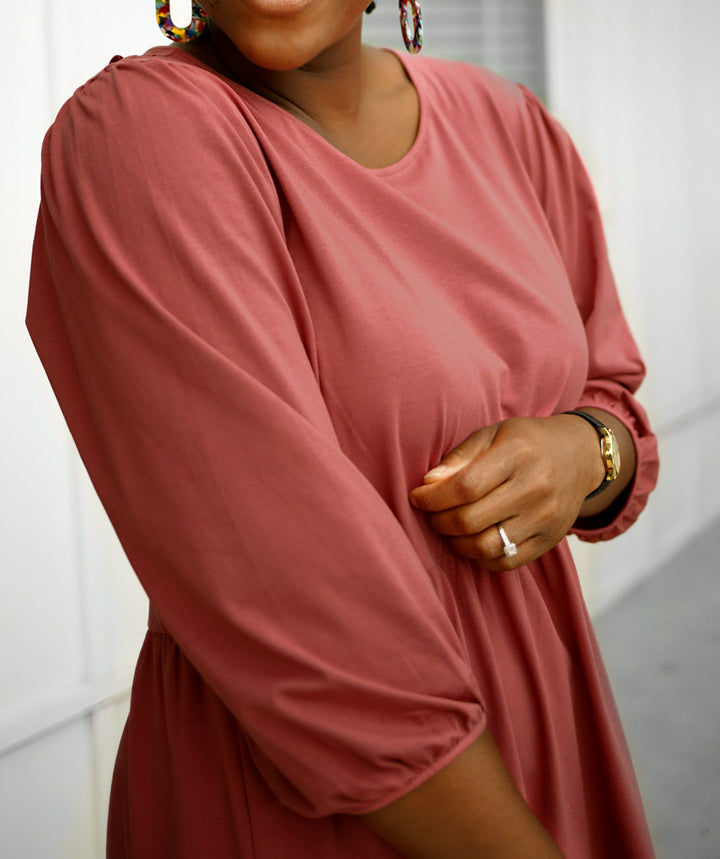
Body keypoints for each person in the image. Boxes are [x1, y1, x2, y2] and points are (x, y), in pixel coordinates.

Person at [27, 1, 660, 857]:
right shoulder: (144, 133)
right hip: (323, 782)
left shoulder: (510, 124)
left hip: (545, 705)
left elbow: (611, 396)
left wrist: (584, 449)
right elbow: (287, 593)